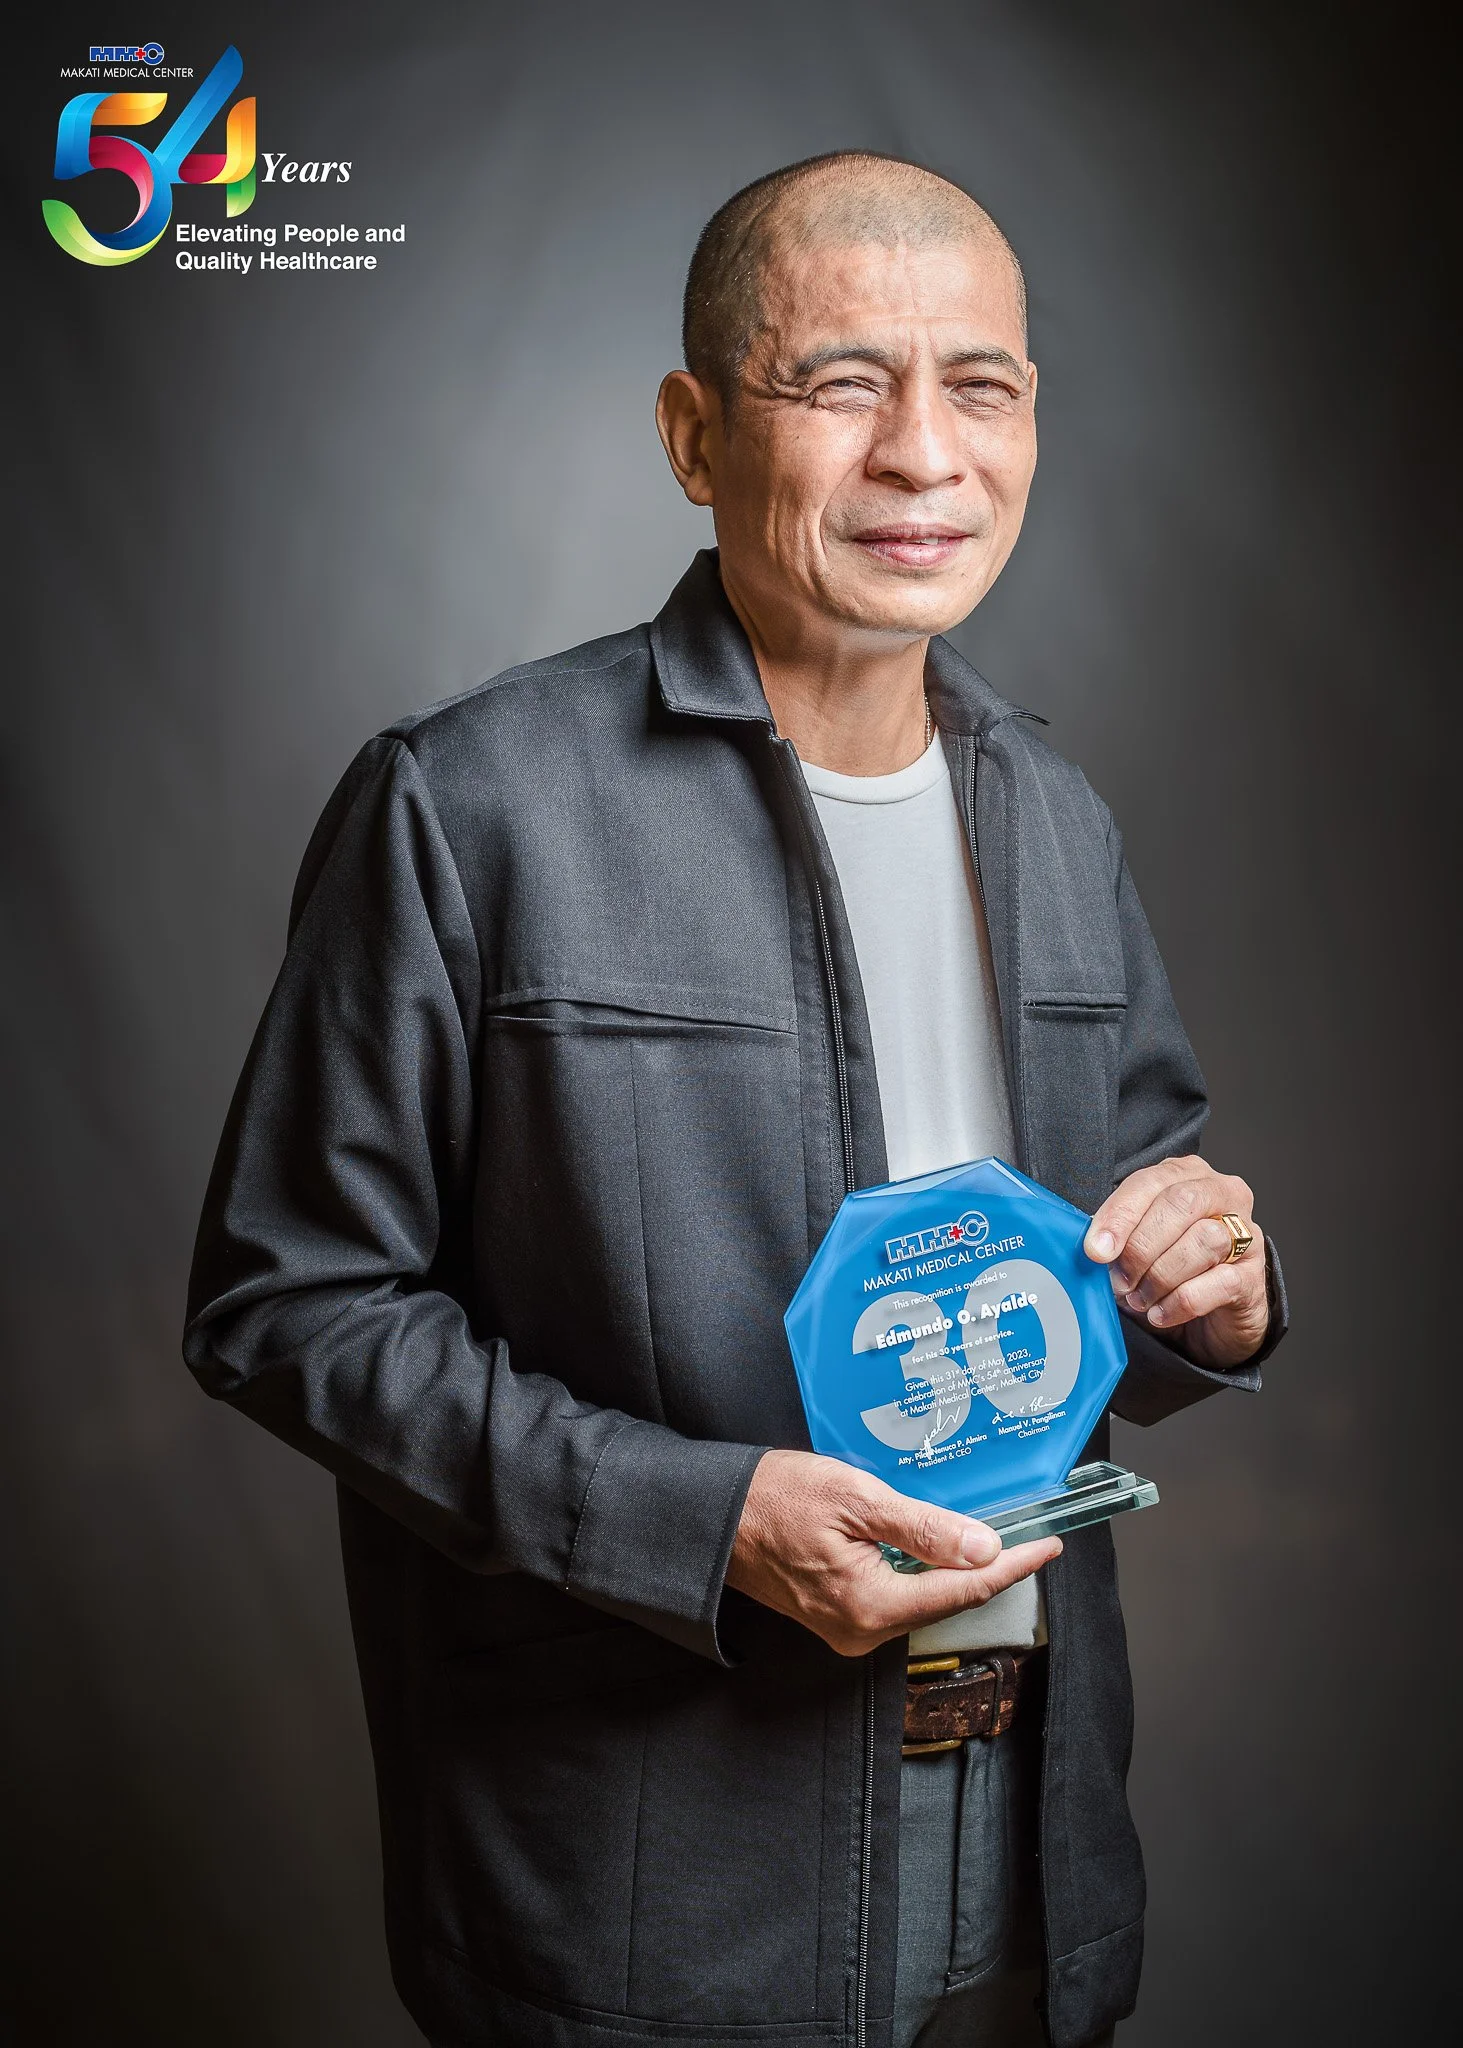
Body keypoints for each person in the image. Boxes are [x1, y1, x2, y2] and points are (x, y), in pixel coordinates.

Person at [184, 152, 1286, 2048]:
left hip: (1031, 1863)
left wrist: (1210, 1294)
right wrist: (694, 1523)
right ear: (693, 436)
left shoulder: (1057, 816)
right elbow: (287, 1306)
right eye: (840, 382)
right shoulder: (471, 806)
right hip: (652, 1904)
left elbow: (1115, 1261)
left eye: (984, 387)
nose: (923, 456)